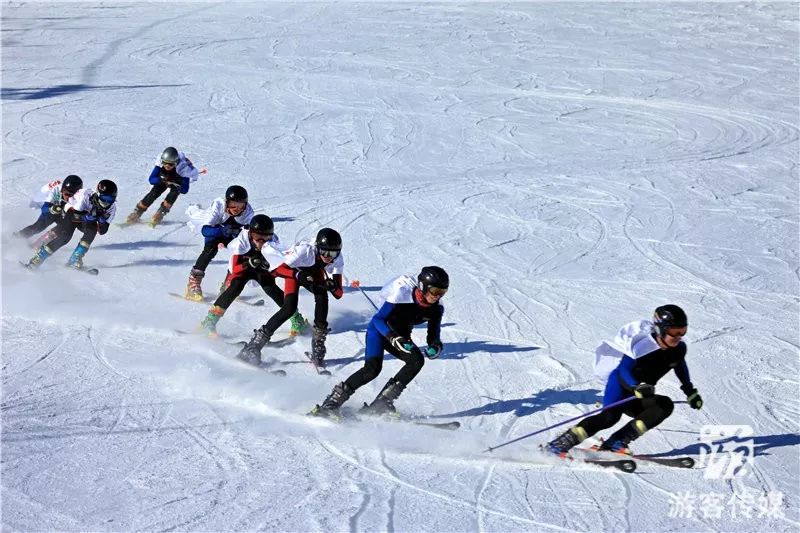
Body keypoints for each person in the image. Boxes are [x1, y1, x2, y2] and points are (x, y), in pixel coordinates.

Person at [545, 304, 703, 456]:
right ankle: (560, 444)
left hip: (640, 394)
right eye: (674, 331)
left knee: (664, 405)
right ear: (660, 329)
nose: (678, 337)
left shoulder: (679, 348)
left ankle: (616, 442)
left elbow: (679, 365)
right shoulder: (642, 347)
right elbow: (623, 370)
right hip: (621, 387)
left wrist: (689, 391)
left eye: (682, 331)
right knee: (609, 418)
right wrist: (635, 386)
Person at [310, 266, 449, 419]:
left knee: (416, 361)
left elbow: (434, 336)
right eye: (435, 291)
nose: (437, 296)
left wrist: (435, 346)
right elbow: (378, 320)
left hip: (401, 336)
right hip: (380, 331)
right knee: (372, 370)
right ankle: (331, 403)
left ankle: (381, 403)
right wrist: (393, 337)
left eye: (442, 292)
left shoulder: (437, 309)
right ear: (423, 286)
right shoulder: (401, 294)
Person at [236, 228, 345, 366]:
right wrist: (298, 275)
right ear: (317, 248)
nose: (328, 257)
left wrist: (332, 286)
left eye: (333, 253)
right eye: (324, 252)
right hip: (294, 272)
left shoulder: (337, 259)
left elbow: (339, 294)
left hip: (313, 274)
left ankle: (318, 345)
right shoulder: (305, 251)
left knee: (322, 296)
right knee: (289, 308)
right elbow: (278, 270)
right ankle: (254, 346)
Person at [198, 214, 288, 337]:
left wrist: (270, 267)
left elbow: (279, 268)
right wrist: (248, 263)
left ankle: (296, 318)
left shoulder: (273, 242)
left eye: (265, 238)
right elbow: (235, 269)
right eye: (257, 237)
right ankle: (209, 322)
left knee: (270, 287)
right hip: (242, 268)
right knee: (235, 287)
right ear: (251, 234)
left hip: (260, 269)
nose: (261, 242)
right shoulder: (242, 241)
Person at [25, 179, 118, 270]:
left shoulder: (112, 208)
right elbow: (73, 214)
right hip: (69, 212)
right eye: (104, 198)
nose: (106, 202)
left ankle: (75, 258)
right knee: (65, 237)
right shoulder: (85, 195)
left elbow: (103, 231)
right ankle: (38, 258)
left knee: (92, 230)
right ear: (98, 194)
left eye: (110, 199)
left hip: (83, 218)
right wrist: (87, 217)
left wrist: (101, 222)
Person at [124, 147, 206, 227]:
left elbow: (185, 190)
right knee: (154, 193)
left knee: (173, 194)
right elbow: (151, 179)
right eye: (165, 163)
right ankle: (137, 212)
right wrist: (161, 180)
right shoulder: (160, 164)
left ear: (175, 163)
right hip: (165, 179)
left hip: (177, 180)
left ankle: (160, 213)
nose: (167, 166)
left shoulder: (184, 169)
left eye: (170, 164)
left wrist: (177, 185)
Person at [15, 174, 83, 242]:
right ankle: (17, 237)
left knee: (65, 227)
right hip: (52, 211)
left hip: (65, 215)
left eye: (70, 195)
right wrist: (51, 209)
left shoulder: (81, 198)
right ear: (62, 189)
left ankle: (41, 243)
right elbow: (45, 208)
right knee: (39, 226)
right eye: (65, 193)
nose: (67, 197)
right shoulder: (56, 189)